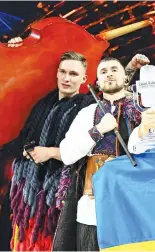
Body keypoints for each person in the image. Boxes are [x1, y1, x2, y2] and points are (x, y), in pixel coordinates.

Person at [52, 56, 147, 251]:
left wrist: (144, 130)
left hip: (131, 205)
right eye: (103, 72)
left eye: (114, 69)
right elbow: (68, 153)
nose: (109, 74)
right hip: (90, 208)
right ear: (97, 82)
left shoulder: (142, 112)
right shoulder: (87, 113)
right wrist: (98, 130)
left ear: (125, 77)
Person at [3, 51, 93, 251]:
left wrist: (51, 152)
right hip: (28, 191)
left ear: (84, 79)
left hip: (59, 194)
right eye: (63, 72)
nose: (67, 78)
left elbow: (86, 148)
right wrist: (27, 150)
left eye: (73, 74)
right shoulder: (45, 102)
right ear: (57, 73)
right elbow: (25, 136)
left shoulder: (88, 107)